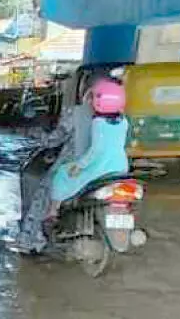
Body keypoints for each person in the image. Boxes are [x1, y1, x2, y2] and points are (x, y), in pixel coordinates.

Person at [15, 77, 129, 253]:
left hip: (80, 167)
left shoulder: (75, 114)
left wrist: (34, 134)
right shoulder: (122, 120)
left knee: (42, 195)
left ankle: (29, 242)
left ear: (87, 93)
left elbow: (54, 140)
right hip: (115, 170)